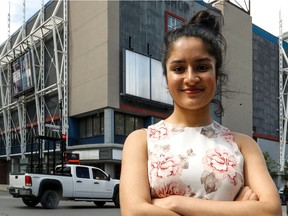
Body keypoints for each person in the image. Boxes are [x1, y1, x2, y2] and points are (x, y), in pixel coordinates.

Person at [120, 9, 281, 216]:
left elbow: (270, 211)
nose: (190, 78)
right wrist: (237, 210)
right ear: (166, 78)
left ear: (217, 75)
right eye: (178, 69)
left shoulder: (242, 145)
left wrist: (175, 204)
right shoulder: (141, 141)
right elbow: (135, 213)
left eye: (202, 67)